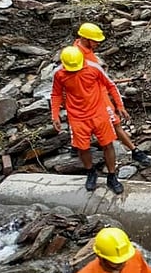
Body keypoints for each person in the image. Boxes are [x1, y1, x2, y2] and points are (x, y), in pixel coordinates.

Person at [73, 23, 151, 166]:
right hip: (90, 100)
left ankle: (134, 151)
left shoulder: (86, 50)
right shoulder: (76, 55)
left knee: (115, 123)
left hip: (100, 95)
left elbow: (104, 80)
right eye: (95, 41)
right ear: (85, 38)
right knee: (109, 125)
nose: (98, 44)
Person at [52, 46, 126, 194]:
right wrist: (55, 115)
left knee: (107, 144)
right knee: (82, 147)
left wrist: (120, 105)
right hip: (77, 117)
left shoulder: (94, 68)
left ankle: (112, 176)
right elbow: (56, 94)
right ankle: (90, 172)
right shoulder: (59, 73)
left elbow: (110, 85)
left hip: (99, 113)